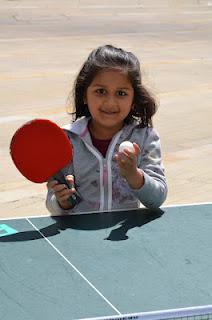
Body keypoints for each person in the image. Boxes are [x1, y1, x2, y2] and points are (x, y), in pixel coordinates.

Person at [46, 44, 167, 215]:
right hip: (79, 235)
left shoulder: (145, 137)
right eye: (101, 91)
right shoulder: (67, 140)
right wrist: (62, 202)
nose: (110, 103)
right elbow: (53, 202)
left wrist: (134, 176)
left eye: (121, 93)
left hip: (124, 239)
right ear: (84, 95)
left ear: (133, 99)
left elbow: (157, 198)